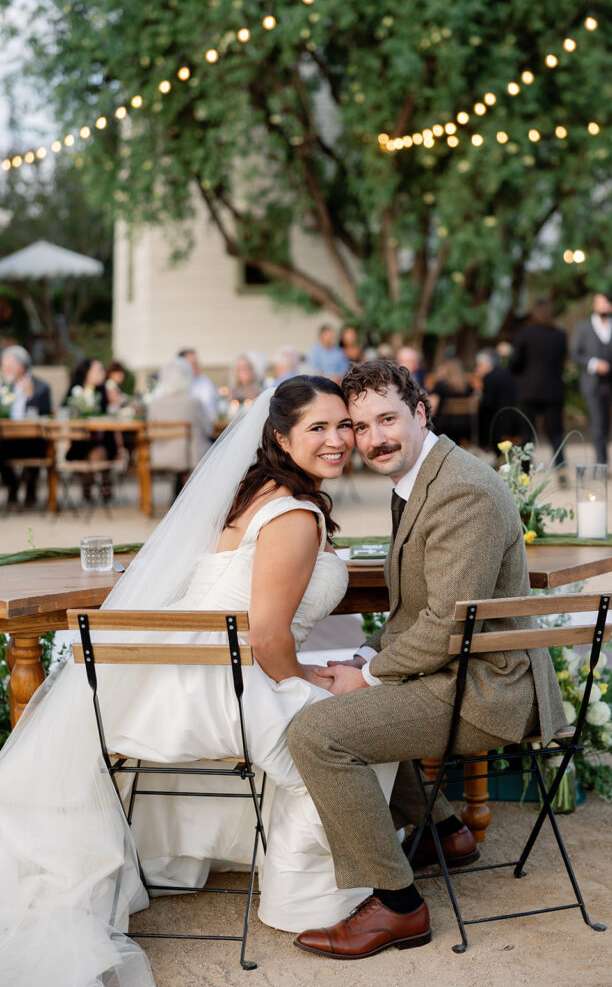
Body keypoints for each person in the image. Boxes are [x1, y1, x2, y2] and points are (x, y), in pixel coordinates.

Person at [0, 376, 391, 987]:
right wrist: (307, 679)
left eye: (345, 426)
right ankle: (305, 896)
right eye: (318, 427)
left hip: (166, 682)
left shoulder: (251, 494)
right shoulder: (295, 515)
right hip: (221, 689)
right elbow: (267, 636)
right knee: (363, 730)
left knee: (342, 703)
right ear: (281, 437)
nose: (338, 439)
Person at [286, 360, 566, 960]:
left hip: (490, 688)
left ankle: (398, 906)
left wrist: (365, 676)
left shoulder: (460, 488)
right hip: (453, 671)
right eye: (360, 427)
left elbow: (443, 624)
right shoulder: (418, 479)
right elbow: (417, 612)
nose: (374, 439)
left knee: (316, 732)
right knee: (324, 697)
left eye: (387, 419)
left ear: (420, 412)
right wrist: (364, 657)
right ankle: (444, 832)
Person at [571, 293, 612, 466]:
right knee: (597, 420)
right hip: (591, 383)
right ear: (594, 306)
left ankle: (603, 458)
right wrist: (593, 364)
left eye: (606, 303)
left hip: (611, 383)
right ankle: (601, 462)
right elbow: (575, 354)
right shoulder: (583, 327)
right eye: (600, 303)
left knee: (606, 422)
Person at [509, 301, 567, 468]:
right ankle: (561, 466)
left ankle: (525, 470)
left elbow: (515, 362)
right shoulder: (560, 335)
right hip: (554, 390)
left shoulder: (525, 334)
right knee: (555, 433)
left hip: (529, 390)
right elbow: (561, 362)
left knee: (526, 432)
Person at [147, 356, 213, 496]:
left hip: (162, 454)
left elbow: (150, 430)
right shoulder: (193, 402)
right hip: (190, 455)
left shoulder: (154, 403)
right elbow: (208, 429)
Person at [0, 345, 52, 507]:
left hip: (32, 441)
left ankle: (30, 487)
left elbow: (46, 414)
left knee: (38, 442)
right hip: (7, 440)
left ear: (20, 368)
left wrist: (30, 398)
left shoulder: (41, 387)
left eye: (6, 367)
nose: (3, 370)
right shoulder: (2, 387)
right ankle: (12, 484)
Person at [63, 357, 119, 501]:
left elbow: (110, 417)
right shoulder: (75, 392)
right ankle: (97, 483)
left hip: (103, 442)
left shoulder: (103, 391)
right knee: (92, 449)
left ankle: (96, 484)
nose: (103, 373)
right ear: (87, 373)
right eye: (99, 370)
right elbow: (65, 413)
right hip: (79, 442)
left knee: (99, 450)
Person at [474, 347, 519, 454]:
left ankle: (485, 447)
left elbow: (488, 403)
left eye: (479, 365)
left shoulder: (490, 377)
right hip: (513, 418)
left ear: (486, 365)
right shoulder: (506, 373)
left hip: (498, 423)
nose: (477, 369)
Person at [428, 356, 475, 445]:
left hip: (445, 427)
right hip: (465, 426)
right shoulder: (468, 387)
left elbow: (432, 406)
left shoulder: (441, 385)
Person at [178, 347, 218, 422]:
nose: (196, 366)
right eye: (192, 364)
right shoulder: (172, 384)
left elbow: (211, 410)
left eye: (196, 363)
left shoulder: (206, 382)